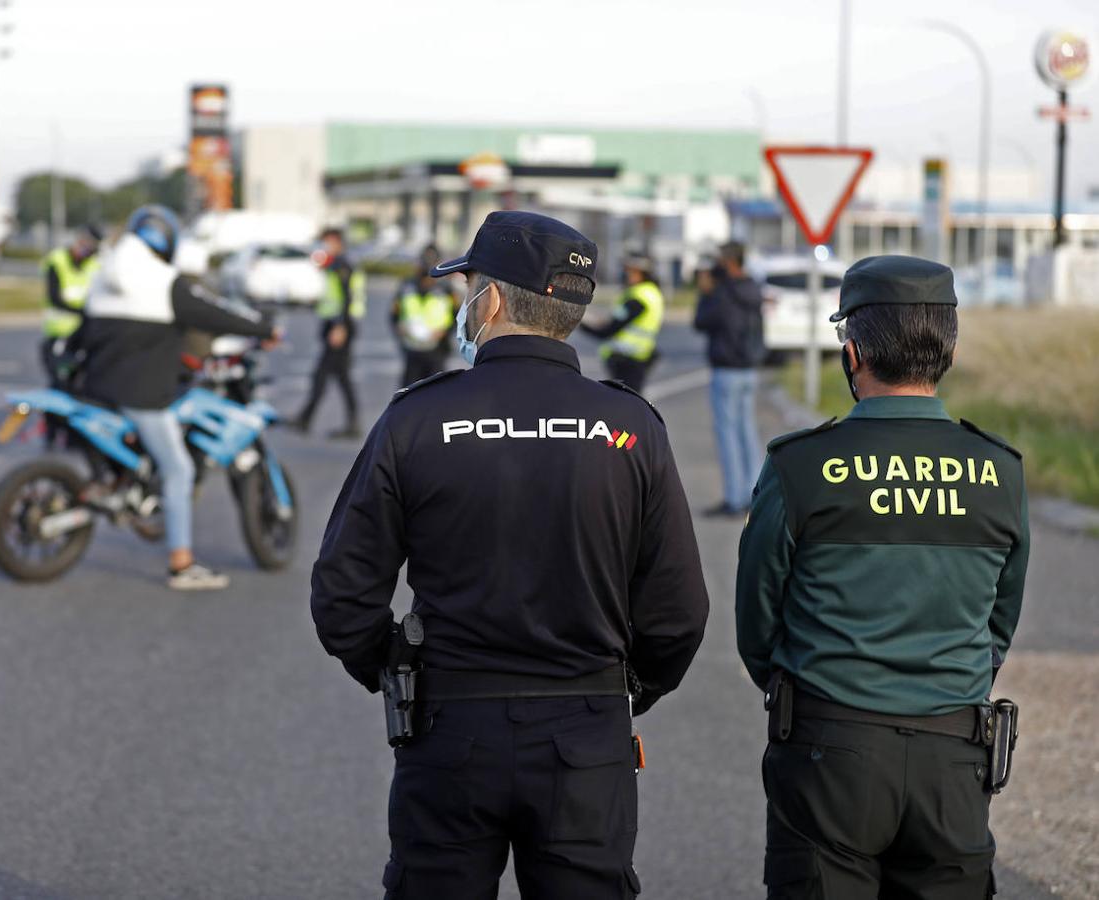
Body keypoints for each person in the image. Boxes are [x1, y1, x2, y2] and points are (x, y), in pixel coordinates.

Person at [311, 211, 710, 899]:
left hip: (449, 726)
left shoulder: (418, 418)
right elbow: (677, 610)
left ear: (490, 301)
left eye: (467, 287)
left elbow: (344, 593)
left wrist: (391, 670)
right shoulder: (630, 426)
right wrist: (625, 689)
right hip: (588, 736)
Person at [735, 255, 1029, 900]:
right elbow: (999, 621)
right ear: (947, 348)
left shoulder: (801, 464)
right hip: (954, 755)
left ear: (852, 351)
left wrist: (794, 683)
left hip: (827, 749)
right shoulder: (998, 469)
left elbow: (758, 617)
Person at [77, 205, 278, 591]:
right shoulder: (165, 282)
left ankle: (118, 485)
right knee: (179, 470)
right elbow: (212, 315)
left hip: (97, 389)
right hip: (144, 396)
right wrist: (264, 328)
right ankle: (181, 564)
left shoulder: (105, 275)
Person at [692, 241, 765, 517]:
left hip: (726, 369)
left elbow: (701, 321)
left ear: (728, 261)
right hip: (749, 368)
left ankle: (734, 498)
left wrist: (705, 293)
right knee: (746, 430)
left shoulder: (723, 293)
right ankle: (754, 494)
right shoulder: (753, 288)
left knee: (728, 434)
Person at [295, 227, 365, 438]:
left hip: (340, 327)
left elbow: (346, 298)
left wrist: (339, 327)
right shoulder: (334, 265)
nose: (324, 247)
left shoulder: (342, 265)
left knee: (327, 375)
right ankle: (306, 418)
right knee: (334, 376)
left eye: (327, 242)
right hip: (336, 325)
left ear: (337, 242)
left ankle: (307, 419)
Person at [579, 252, 665, 393]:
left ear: (640, 273)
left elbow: (609, 330)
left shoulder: (639, 297)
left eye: (630, 271)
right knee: (631, 403)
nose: (626, 274)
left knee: (627, 405)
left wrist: (580, 324)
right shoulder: (647, 292)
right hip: (635, 359)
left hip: (628, 361)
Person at [40, 223, 103, 388]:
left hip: (85, 336)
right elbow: (54, 297)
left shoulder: (95, 266)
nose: (85, 248)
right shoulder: (57, 260)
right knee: (60, 382)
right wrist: (80, 311)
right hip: (60, 334)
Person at [389, 244, 458, 387]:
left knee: (435, 395)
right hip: (412, 350)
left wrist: (444, 333)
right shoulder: (406, 286)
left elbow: (458, 316)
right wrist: (400, 330)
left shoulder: (447, 289)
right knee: (407, 396)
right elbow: (393, 315)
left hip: (436, 351)